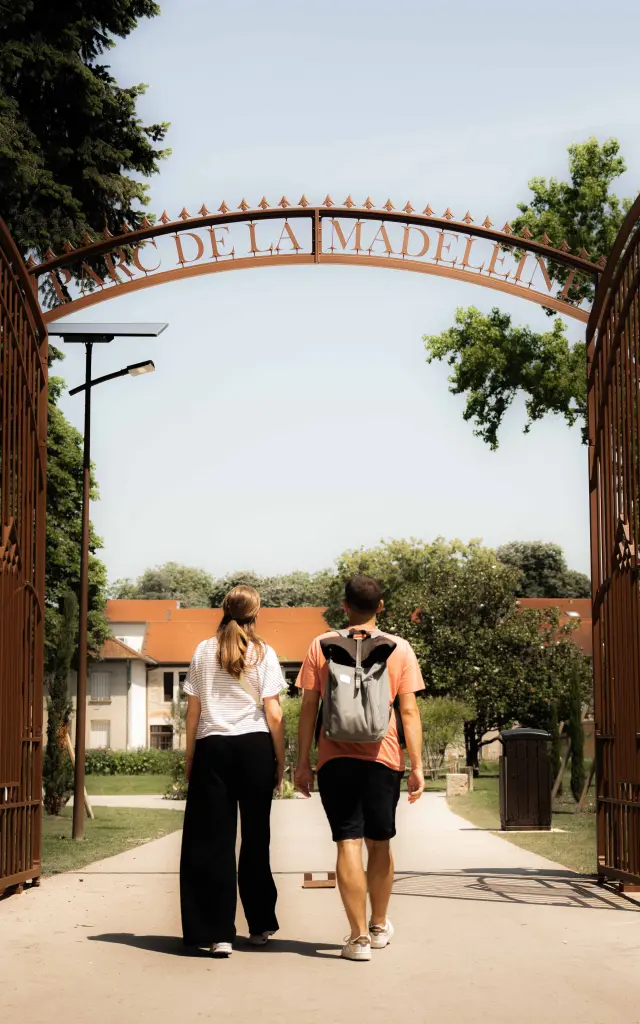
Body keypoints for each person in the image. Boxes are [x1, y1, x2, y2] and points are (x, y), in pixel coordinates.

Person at [295, 574, 425, 962]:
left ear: (344, 605)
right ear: (380, 606)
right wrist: (416, 765)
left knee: (347, 842)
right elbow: (408, 710)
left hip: (336, 760)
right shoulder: (399, 648)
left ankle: (357, 938)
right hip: (382, 758)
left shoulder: (321, 645)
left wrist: (303, 762)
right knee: (380, 842)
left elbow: (308, 709)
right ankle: (379, 925)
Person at [180, 585, 285, 957]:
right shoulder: (263, 652)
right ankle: (259, 926)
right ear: (256, 613)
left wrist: (190, 756)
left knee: (215, 842)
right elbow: (273, 712)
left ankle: (219, 932)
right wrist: (280, 760)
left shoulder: (202, 650)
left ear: (225, 610)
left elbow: (193, 712)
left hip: (213, 747)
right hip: (255, 747)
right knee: (256, 839)